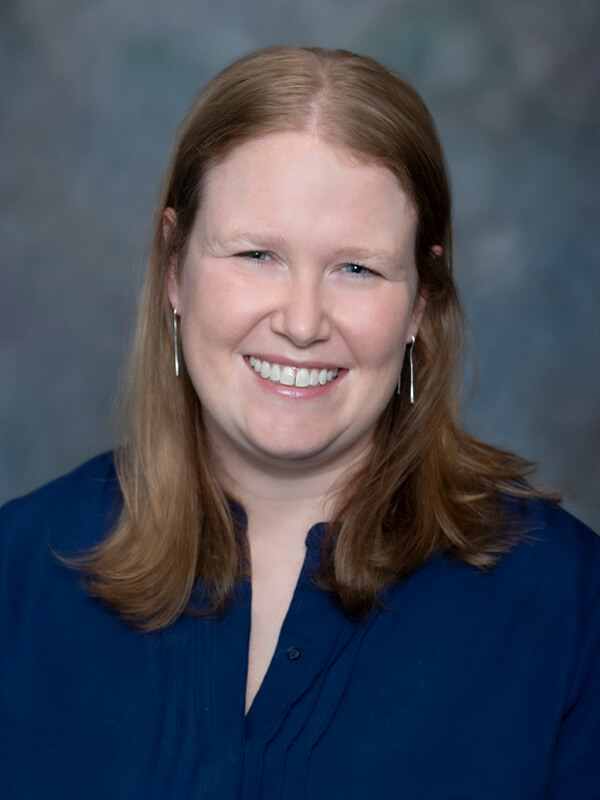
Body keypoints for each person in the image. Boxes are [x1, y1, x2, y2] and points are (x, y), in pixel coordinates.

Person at [1, 45, 599, 799]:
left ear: (419, 302)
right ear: (174, 267)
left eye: (357, 268)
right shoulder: (14, 576)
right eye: (256, 254)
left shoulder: (570, 604)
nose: (303, 321)